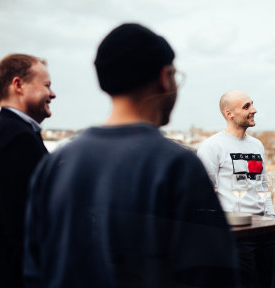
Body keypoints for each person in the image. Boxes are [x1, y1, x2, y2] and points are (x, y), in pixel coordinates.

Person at [23, 24, 241, 288]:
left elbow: (34, 270)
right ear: (165, 76)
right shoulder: (177, 166)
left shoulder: (54, 166)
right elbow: (214, 276)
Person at [197, 90, 275, 288]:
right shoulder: (211, 146)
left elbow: (262, 185)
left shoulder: (257, 145)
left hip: (264, 231)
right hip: (236, 234)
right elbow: (203, 196)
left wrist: (272, 221)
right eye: (246, 106)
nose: (254, 110)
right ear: (229, 114)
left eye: (252, 104)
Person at [0, 54, 55, 288]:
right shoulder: (18, 138)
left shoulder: (0, 130)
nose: (53, 94)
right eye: (47, 85)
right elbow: (23, 227)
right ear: (18, 85)